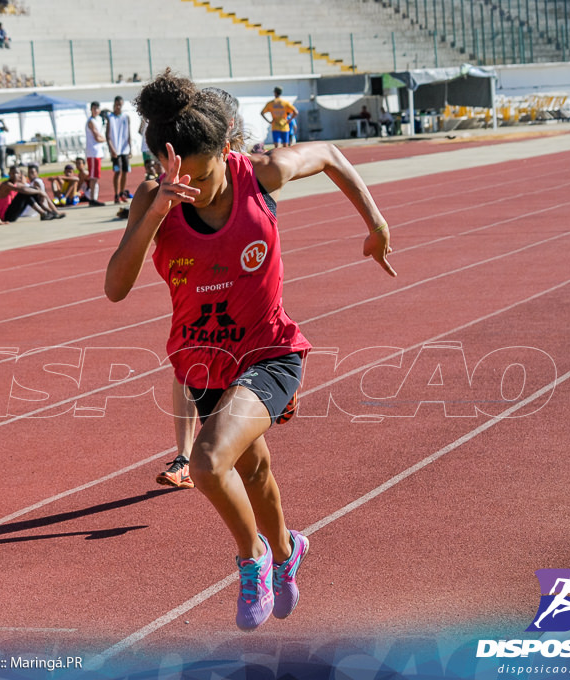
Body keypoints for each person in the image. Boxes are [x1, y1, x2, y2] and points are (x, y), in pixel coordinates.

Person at [105, 70, 395, 631]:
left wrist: (376, 224)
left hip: (270, 350)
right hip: (202, 360)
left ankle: (253, 558)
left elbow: (331, 153)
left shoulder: (261, 175)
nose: (195, 188)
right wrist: (159, 212)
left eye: (203, 175)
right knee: (255, 470)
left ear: (225, 151)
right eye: (179, 178)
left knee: (209, 462)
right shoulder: (153, 196)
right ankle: (288, 552)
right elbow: (116, 287)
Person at [156, 86, 245, 490]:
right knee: (186, 362)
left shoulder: (250, 171)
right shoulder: (173, 176)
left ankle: (267, 382)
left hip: (240, 283)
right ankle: (183, 455)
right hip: (194, 290)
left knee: (238, 357)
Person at [0, 167, 64, 223]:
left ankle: (51, 212)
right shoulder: (6, 184)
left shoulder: (18, 184)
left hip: (14, 214)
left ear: (20, 175)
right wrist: (39, 192)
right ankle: (44, 214)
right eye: (13, 173)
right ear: (9, 174)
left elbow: (27, 189)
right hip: (5, 216)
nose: (15, 175)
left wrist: (38, 191)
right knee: (25, 193)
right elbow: (23, 190)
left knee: (32, 191)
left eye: (17, 173)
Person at [107, 96, 133, 204]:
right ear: (114, 104)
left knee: (125, 171)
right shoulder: (110, 117)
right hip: (115, 150)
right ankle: (116, 195)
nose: (118, 106)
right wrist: (112, 149)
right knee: (117, 171)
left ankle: (122, 193)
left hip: (124, 149)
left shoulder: (126, 117)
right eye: (117, 104)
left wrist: (130, 148)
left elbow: (129, 133)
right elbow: (107, 136)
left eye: (120, 104)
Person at [85, 101, 106, 205]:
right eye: (94, 108)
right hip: (93, 152)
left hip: (97, 152)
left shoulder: (99, 120)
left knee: (96, 176)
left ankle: (93, 197)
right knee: (93, 177)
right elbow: (97, 137)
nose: (96, 110)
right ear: (91, 110)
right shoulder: (91, 121)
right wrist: (106, 139)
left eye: (97, 108)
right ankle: (92, 198)